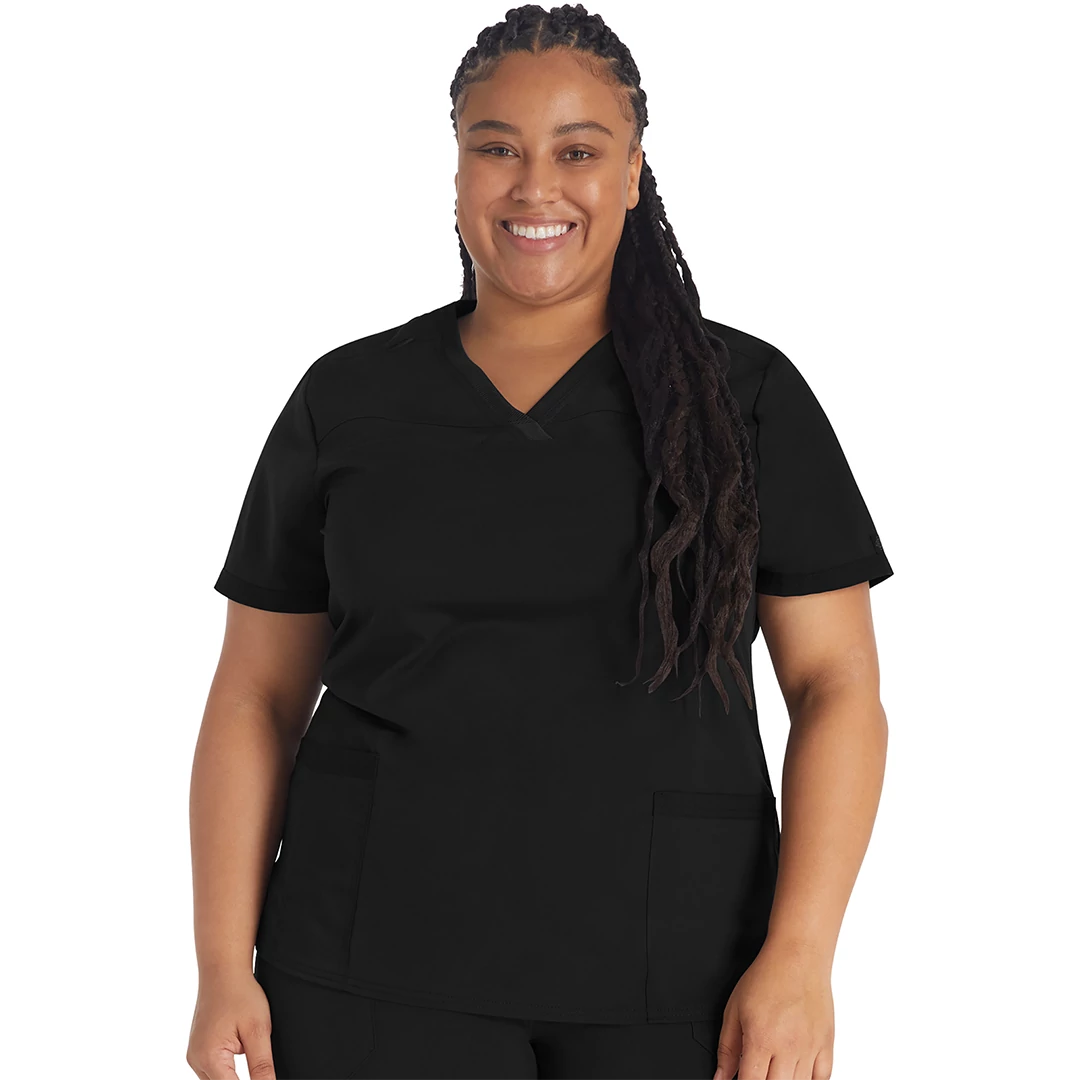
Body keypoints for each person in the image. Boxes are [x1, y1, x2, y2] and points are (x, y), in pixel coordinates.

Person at [186, 5, 894, 1079]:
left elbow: (837, 684)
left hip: (679, 973)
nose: (534, 188)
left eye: (577, 151)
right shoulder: (348, 400)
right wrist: (219, 963)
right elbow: (256, 697)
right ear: (457, 170)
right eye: (497, 148)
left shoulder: (744, 401)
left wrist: (801, 959)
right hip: (368, 965)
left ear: (633, 173)